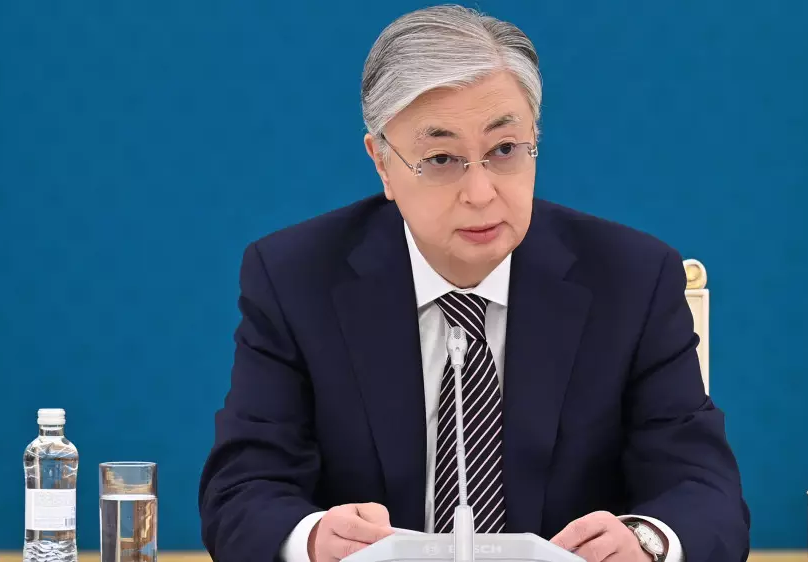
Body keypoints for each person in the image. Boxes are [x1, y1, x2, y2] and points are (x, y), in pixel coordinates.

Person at [198, 5, 750, 562]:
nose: (481, 193)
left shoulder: (631, 279)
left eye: (504, 150)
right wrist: (313, 538)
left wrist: (647, 541)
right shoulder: (296, 278)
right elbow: (243, 490)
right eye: (441, 158)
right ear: (383, 163)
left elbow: (706, 493)